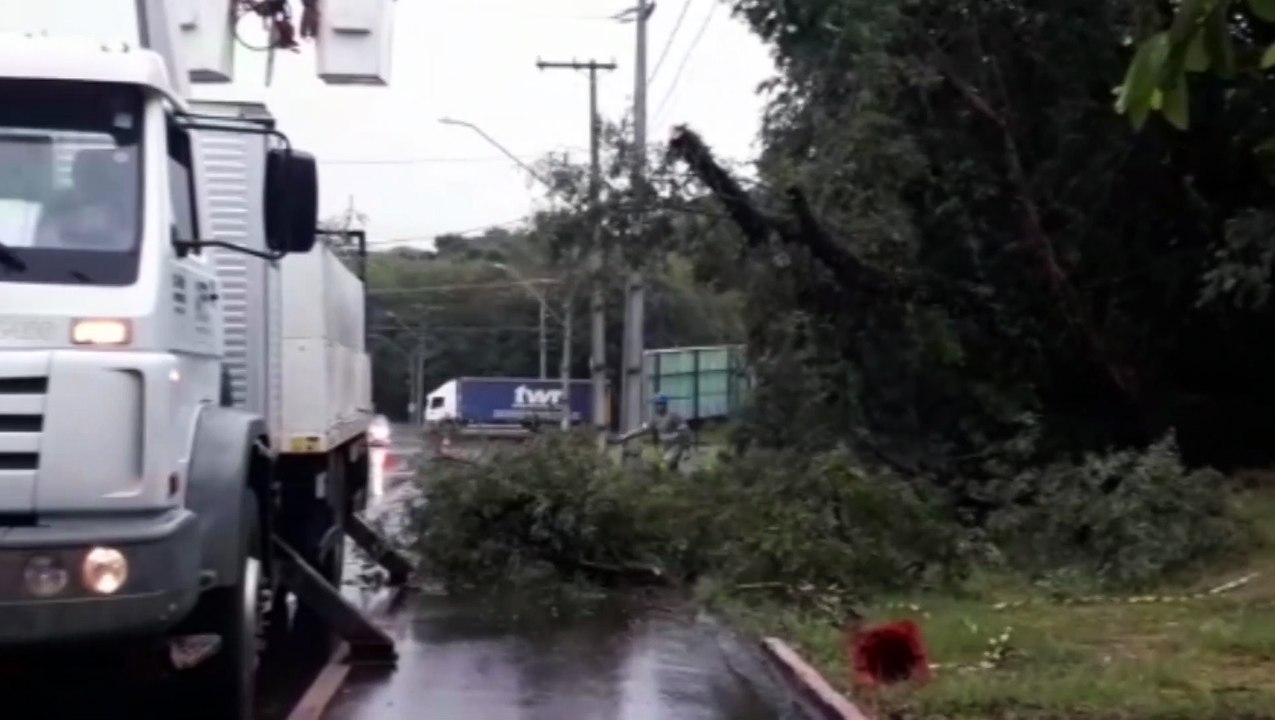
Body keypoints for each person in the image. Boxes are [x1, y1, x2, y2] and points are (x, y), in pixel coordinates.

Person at [615, 394, 694, 471]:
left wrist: (687, 449)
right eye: (655, 405)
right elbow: (642, 430)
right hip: (665, 446)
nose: (656, 407)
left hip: (676, 445)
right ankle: (676, 481)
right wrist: (627, 435)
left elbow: (686, 432)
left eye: (658, 404)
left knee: (665, 464)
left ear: (664, 405)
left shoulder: (674, 417)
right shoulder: (655, 419)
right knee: (670, 468)